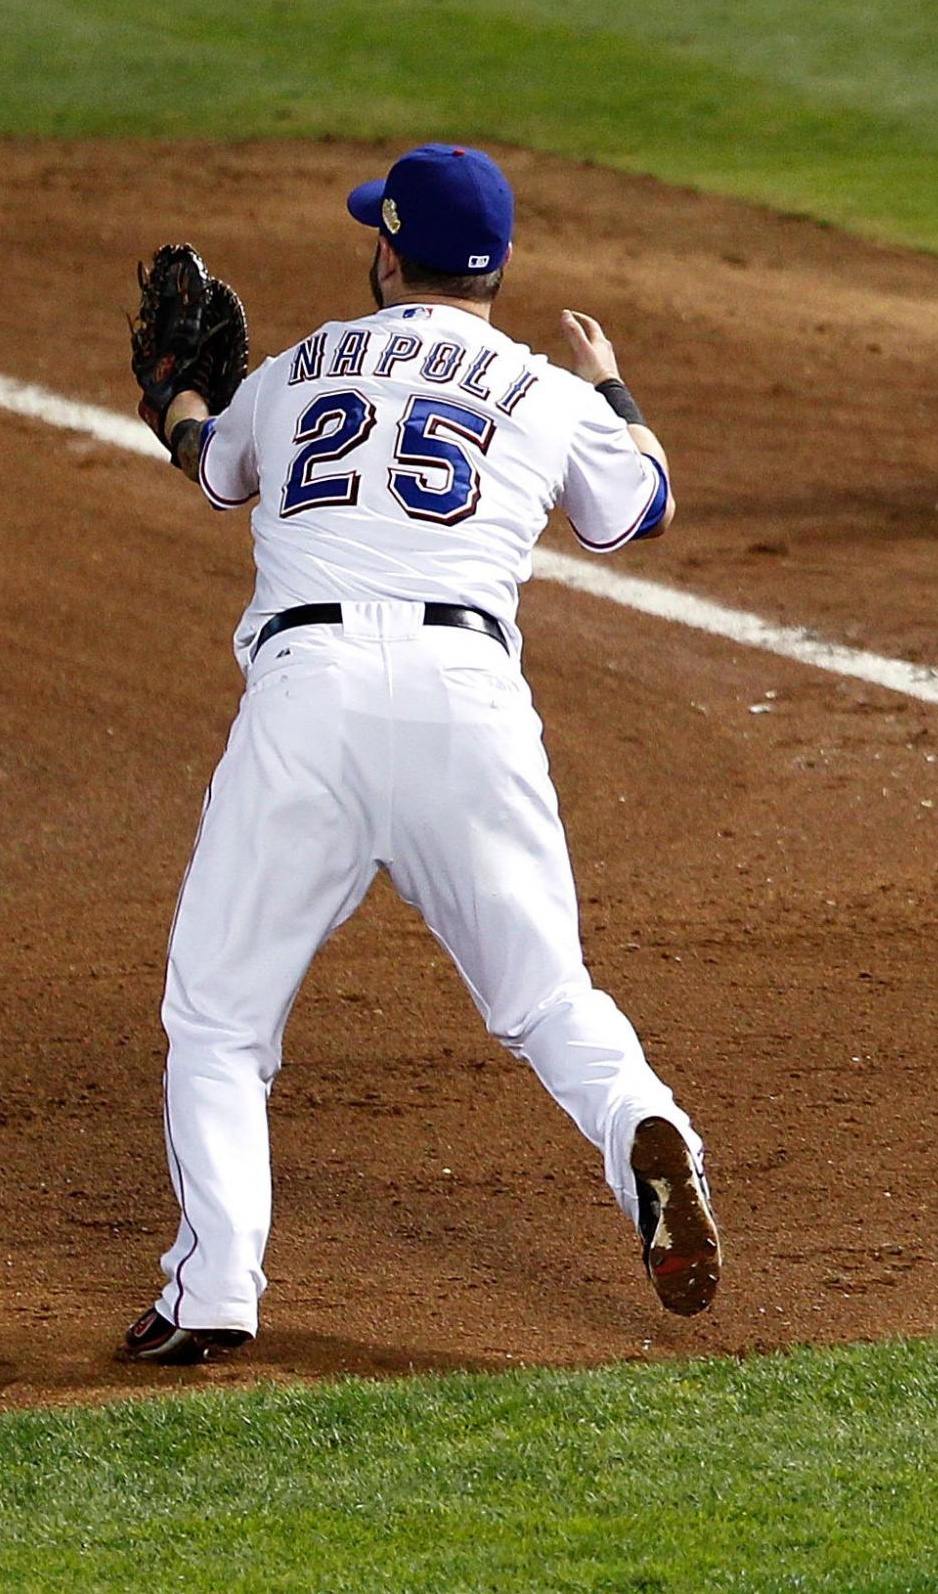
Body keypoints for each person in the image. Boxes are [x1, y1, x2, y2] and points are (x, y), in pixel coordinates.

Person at [120, 143, 720, 1365]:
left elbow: (211, 464)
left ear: (389, 249)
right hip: (468, 702)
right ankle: (648, 1126)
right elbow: (639, 506)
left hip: (310, 702)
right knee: (549, 995)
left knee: (222, 1022)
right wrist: (612, 390)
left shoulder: (298, 370)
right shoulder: (544, 387)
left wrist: (179, 399)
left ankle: (215, 1288)